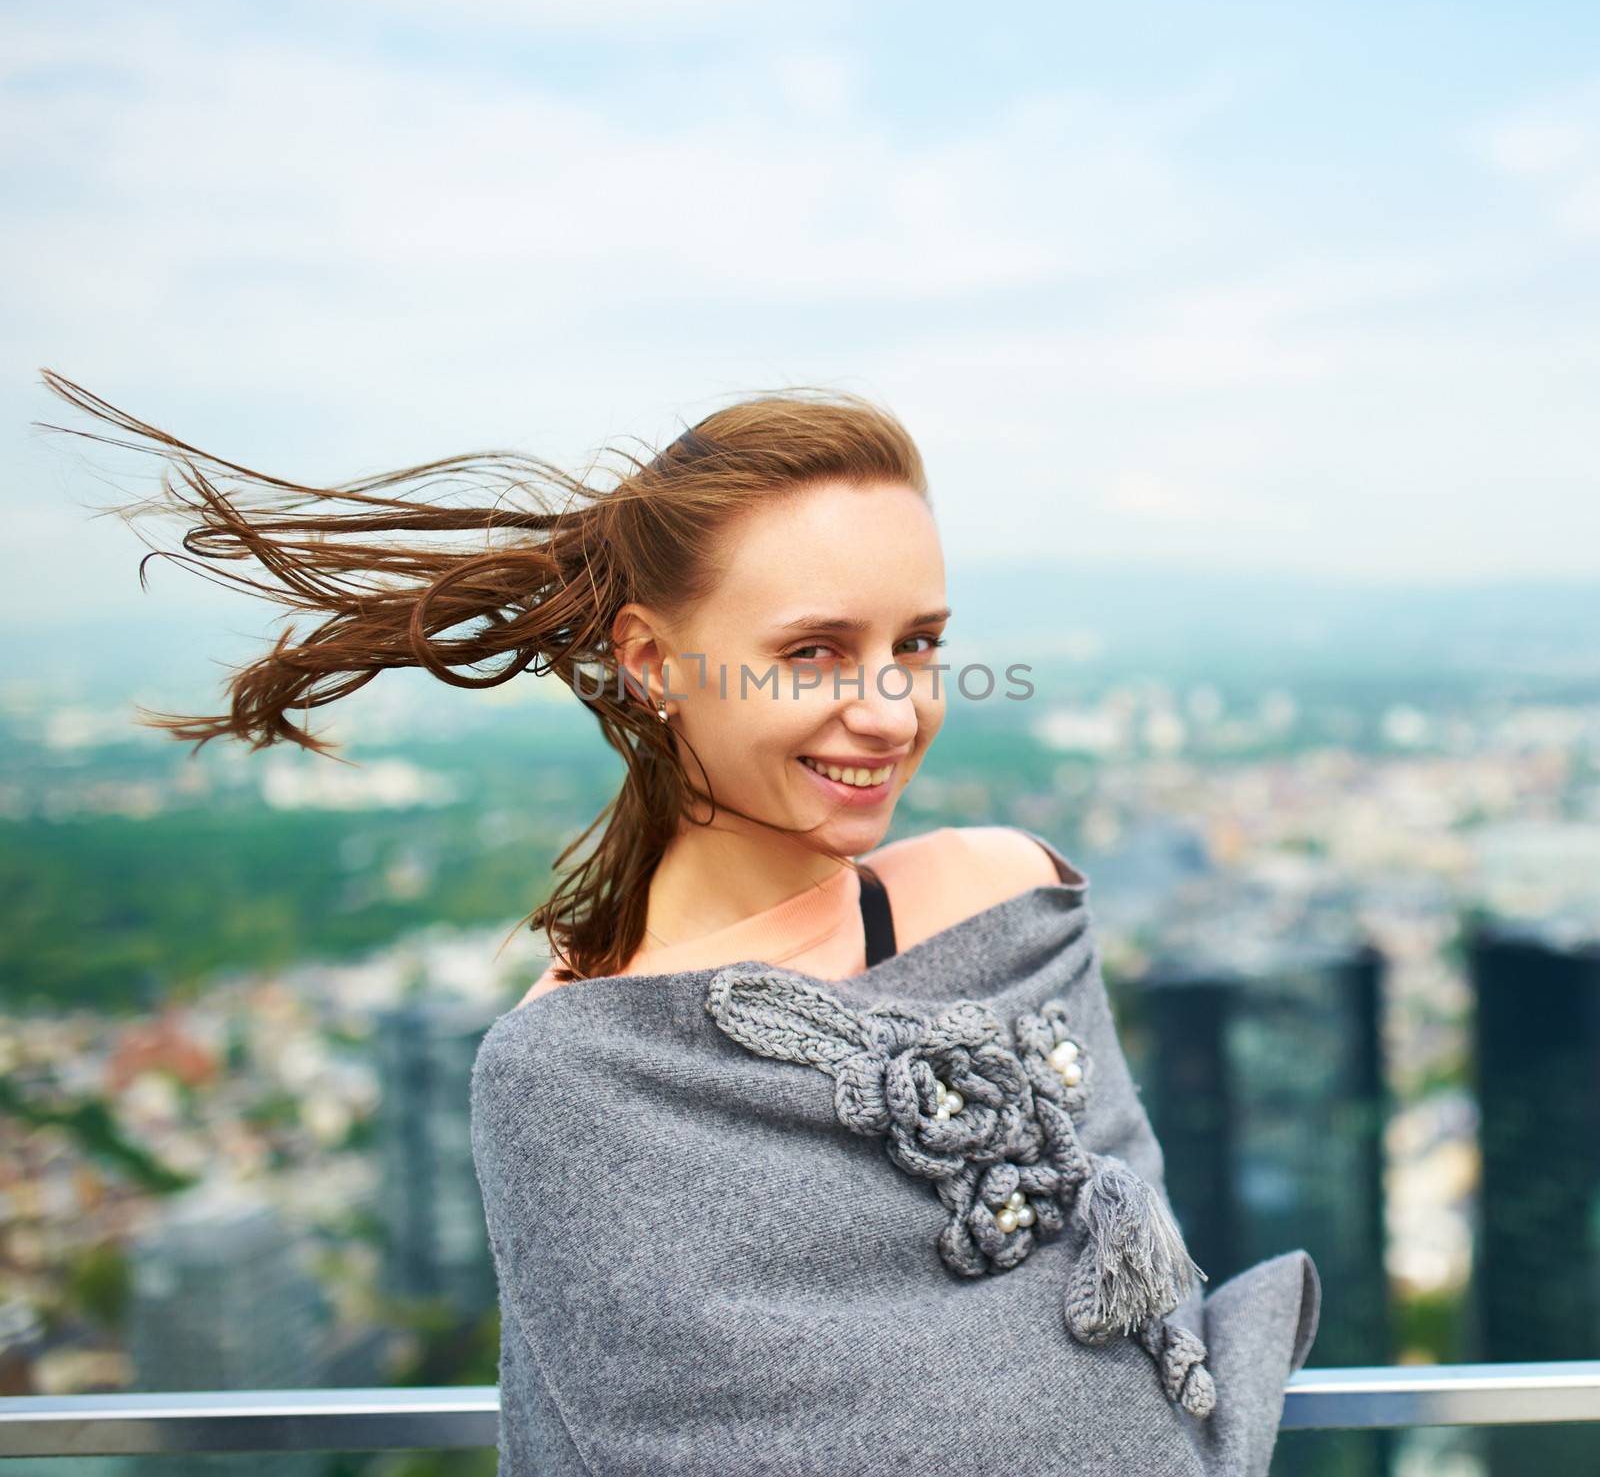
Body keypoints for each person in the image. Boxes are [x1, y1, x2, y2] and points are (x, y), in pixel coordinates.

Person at [39, 372, 1319, 1475]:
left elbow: (1133, 1301)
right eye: (813, 651)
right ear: (652, 663)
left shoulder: (1011, 894)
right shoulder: (572, 1076)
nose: (889, 710)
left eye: (918, 643)